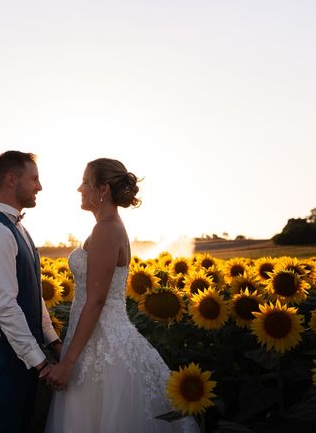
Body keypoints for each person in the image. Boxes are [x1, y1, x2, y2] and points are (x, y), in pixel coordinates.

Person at [43, 158, 199, 433]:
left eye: (84, 182)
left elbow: (96, 300)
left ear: (102, 189)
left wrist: (68, 363)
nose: (79, 189)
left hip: (102, 345)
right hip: (93, 337)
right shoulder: (107, 226)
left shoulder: (106, 229)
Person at [0, 151, 62, 433]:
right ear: (11, 179)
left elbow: (32, 294)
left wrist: (53, 340)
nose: (40, 186)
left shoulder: (17, 227)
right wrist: (41, 363)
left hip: (21, 351)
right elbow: (5, 307)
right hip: (1, 355)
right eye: (34, 178)